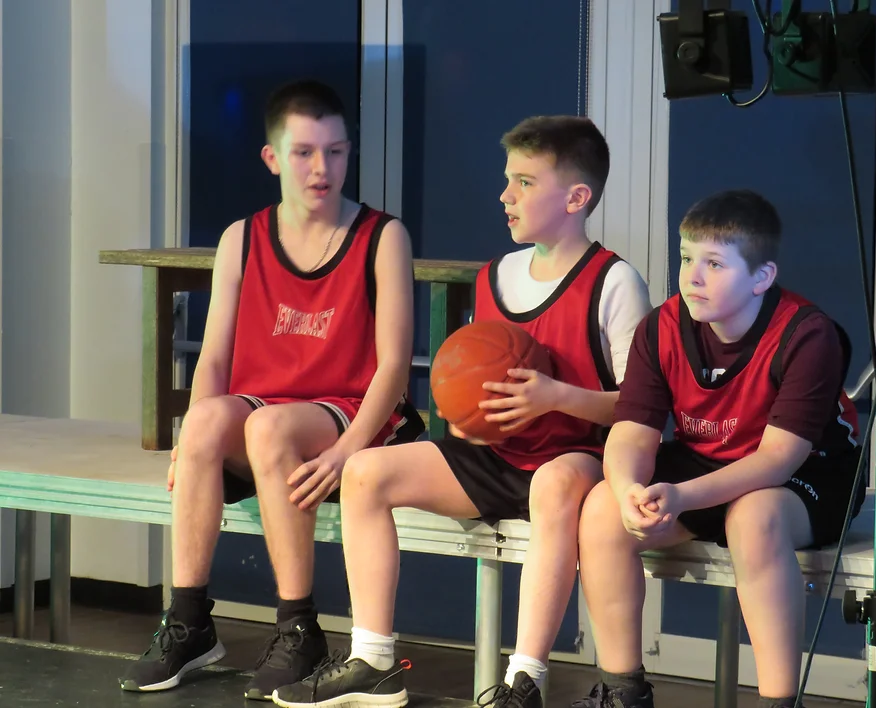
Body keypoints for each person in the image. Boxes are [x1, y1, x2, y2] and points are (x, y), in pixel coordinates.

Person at [269, 115, 653, 708]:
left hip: (576, 457)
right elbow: (468, 385)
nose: (506, 195)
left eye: (524, 182)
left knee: (553, 483)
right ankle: (371, 659)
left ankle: (525, 679)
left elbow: (640, 407)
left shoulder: (615, 281)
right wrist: (465, 412)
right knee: (366, 472)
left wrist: (556, 396)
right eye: (507, 181)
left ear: (577, 197)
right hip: (497, 456)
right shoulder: (493, 276)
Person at [119, 79, 424, 701]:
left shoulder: (382, 236)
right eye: (306, 152)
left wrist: (345, 453)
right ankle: (190, 621)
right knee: (203, 422)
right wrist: (191, 443)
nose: (322, 168)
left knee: (267, 427)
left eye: (336, 152)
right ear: (273, 158)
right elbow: (214, 359)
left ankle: (299, 626)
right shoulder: (242, 238)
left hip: (349, 411)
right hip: (270, 411)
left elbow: (394, 368)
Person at [572, 190, 865, 708]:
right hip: (709, 463)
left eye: (714, 263)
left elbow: (779, 458)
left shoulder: (806, 333)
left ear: (761, 278)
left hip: (814, 474)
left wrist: (683, 498)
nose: (693, 277)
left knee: (752, 518)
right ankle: (624, 693)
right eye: (686, 258)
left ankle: (779, 700)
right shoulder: (660, 327)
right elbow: (632, 432)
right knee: (601, 510)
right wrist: (627, 492)